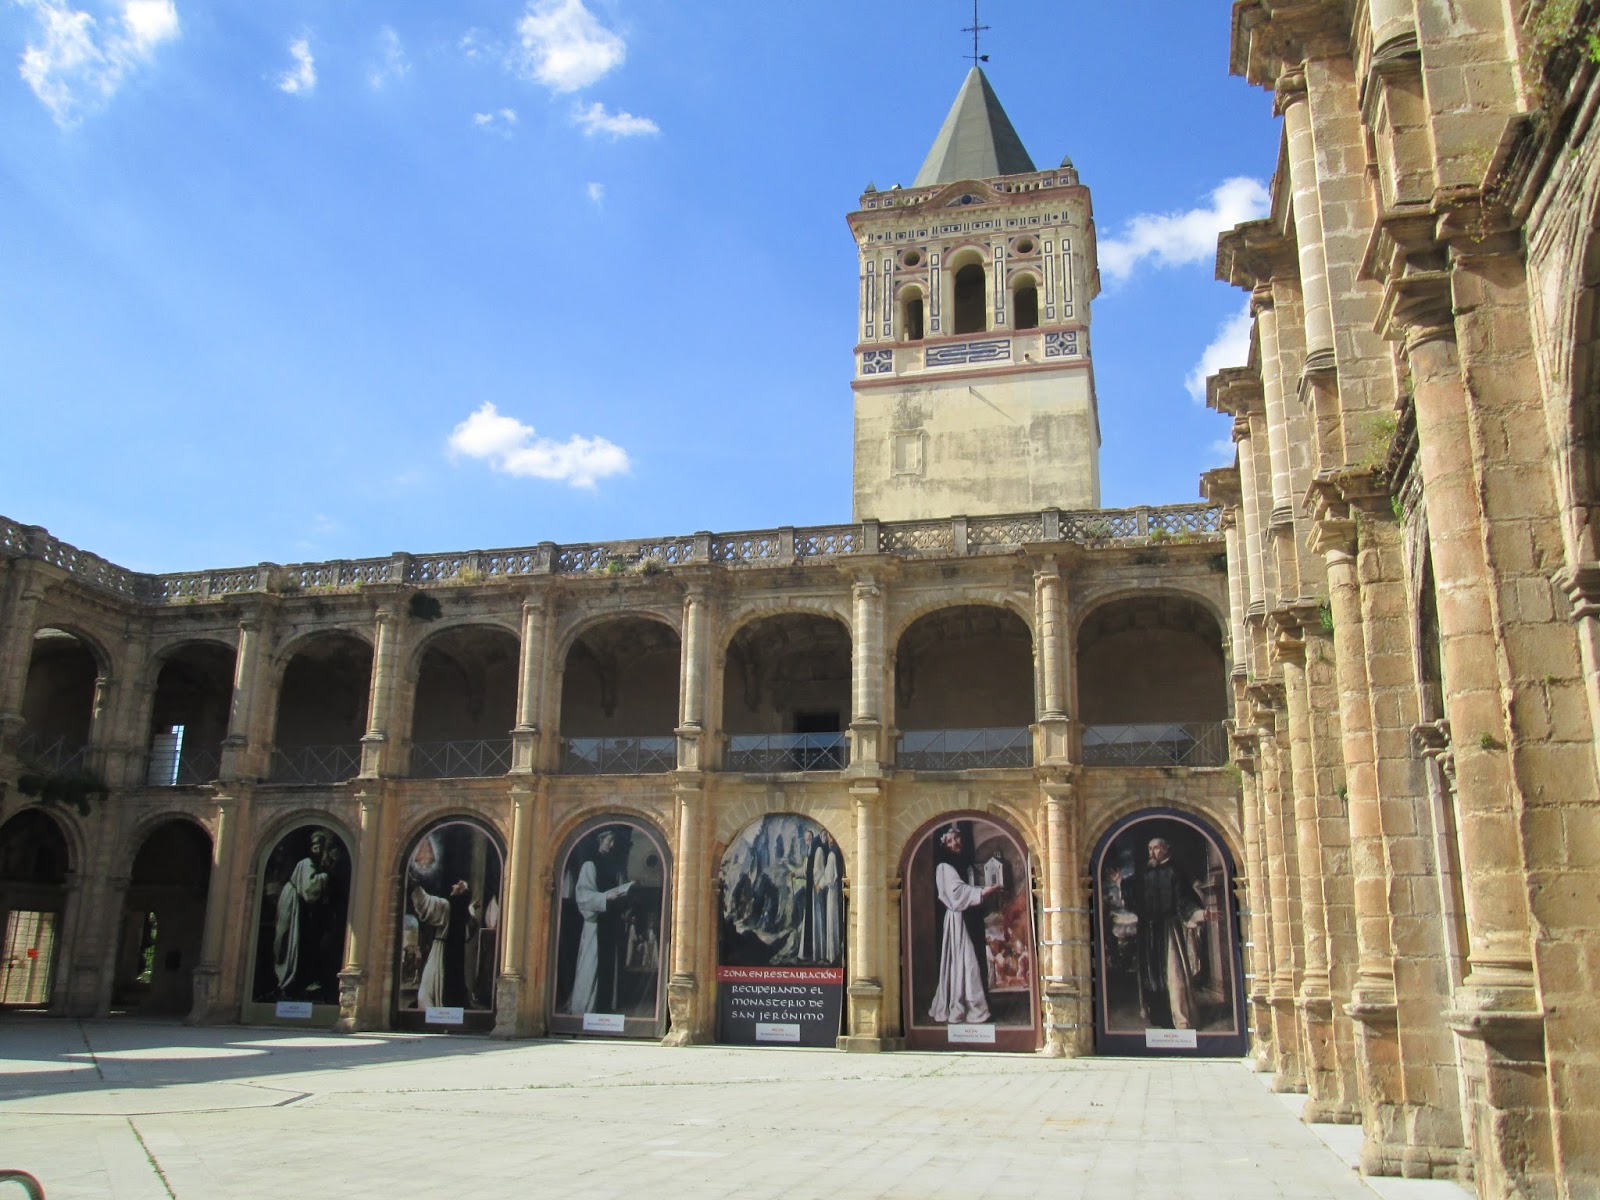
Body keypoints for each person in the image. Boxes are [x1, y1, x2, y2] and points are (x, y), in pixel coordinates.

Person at [1127, 836, 1207, 1029]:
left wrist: (1199, 913)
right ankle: (1158, 1015)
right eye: (1149, 849)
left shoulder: (1174, 871)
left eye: (1156, 848)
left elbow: (1184, 897)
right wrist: (1120, 883)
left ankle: (1180, 1018)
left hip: (1168, 929)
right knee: (1151, 974)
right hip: (1148, 930)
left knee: (1173, 973)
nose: (1152, 852)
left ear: (1166, 849)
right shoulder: (1145, 873)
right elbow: (1134, 897)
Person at [929, 824, 1003, 1024]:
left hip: (970, 916)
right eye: (951, 841)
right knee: (965, 962)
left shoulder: (964, 863)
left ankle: (975, 1004)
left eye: (957, 839)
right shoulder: (944, 866)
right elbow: (955, 894)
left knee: (974, 961)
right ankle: (966, 1004)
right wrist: (983, 892)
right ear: (945, 844)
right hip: (958, 920)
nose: (955, 844)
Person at [567, 829, 634, 1014]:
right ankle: (585, 1008)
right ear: (600, 840)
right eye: (609, 841)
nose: (612, 845)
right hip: (595, 925)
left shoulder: (615, 866)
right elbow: (583, 895)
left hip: (610, 923)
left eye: (614, 841)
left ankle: (604, 1006)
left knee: (608, 966)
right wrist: (606, 897)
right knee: (591, 966)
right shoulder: (590, 865)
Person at [272, 829, 334, 999]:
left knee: (293, 942)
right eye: (315, 847)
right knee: (288, 941)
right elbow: (309, 890)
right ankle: (285, 983)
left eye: (320, 847)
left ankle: (290, 984)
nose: (318, 850)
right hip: (292, 904)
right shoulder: (307, 863)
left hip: (296, 904)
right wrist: (326, 876)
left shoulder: (313, 864)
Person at [410, 878, 479, 1010]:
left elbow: (427, 903)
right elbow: (470, 926)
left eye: (458, 886)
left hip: (440, 951)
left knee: (427, 990)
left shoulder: (447, 906)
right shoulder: (463, 914)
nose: (453, 886)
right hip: (455, 955)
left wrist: (416, 887)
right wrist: (471, 908)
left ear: (459, 892)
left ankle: (431, 1015)